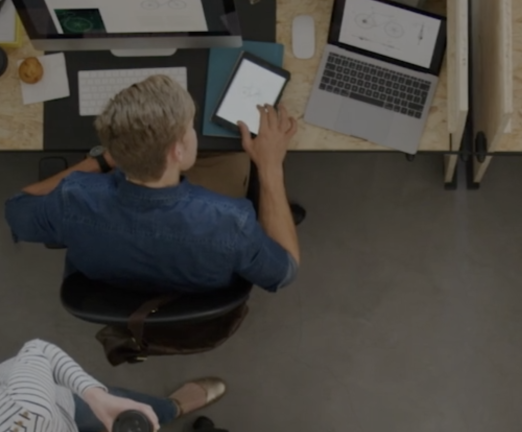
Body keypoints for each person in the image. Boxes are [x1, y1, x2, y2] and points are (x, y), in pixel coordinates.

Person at [4, 75, 300, 293]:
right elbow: (283, 272)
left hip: (115, 282)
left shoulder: (72, 199)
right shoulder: (231, 222)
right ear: (177, 151)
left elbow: (17, 209)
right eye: (190, 128)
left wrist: (98, 162)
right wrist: (271, 167)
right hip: (198, 287)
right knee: (235, 160)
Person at [0, 339, 226, 432]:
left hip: (60, 406)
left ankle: (171, 408)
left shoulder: (21, 407)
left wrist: (95, 395)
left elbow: (39, 351)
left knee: (127, 408)